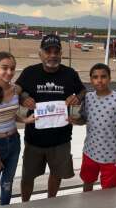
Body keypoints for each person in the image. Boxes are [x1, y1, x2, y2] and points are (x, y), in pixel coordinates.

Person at [15, 34, 86, 201]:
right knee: (27, 177)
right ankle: (25, 203)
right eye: (48, 51)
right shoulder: (29, 72)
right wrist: (23, 97)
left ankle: (50, 201)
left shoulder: (70, 73)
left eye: (56, 51)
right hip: (34, 140)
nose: (52, 55)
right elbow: (15, 89)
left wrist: (77, 97)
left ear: (61, 54)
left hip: (61, 140)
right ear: (40, 53)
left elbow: (83, 90)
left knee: (56, 174)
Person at [0, 51, 35, 207]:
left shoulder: (15, 89)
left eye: (12, 68)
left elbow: (9, 114)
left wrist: (24, 119)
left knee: (7, 189)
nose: (9, 72)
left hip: (14, 143)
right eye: (4, 67)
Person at [69, 63, 116, 192]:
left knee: (110, 191)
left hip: (111, 156)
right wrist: (74, 120)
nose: (99, 80)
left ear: (109, 78)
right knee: (87, 183)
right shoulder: (88, 98)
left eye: (103, 76)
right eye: (95, 77)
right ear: (91, 80)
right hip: (89, 152)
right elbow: (84, 120)